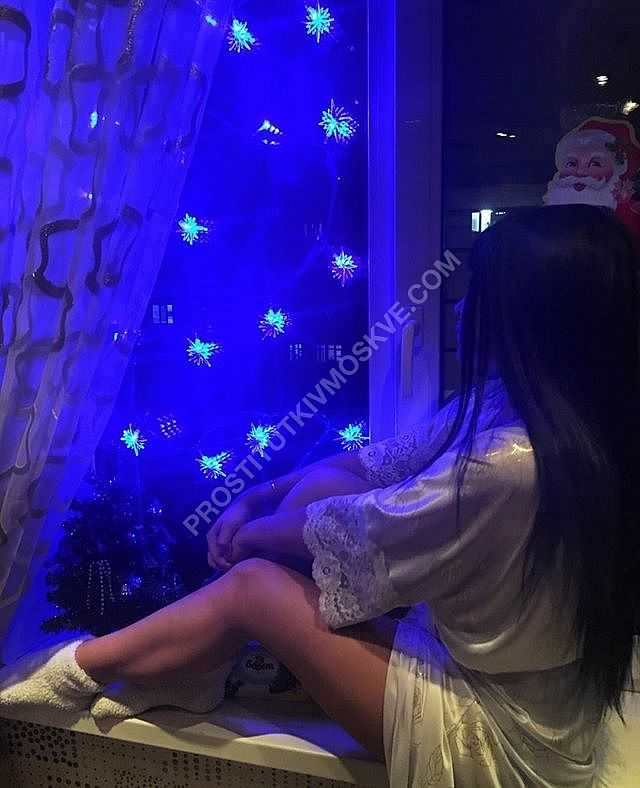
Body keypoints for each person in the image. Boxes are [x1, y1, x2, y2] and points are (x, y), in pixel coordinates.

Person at [1, 205, 639, 787]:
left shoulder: (510, 465)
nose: (460, 307)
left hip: (498, 733)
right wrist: (261, 493)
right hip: (495, 678)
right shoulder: (534, 411)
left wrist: (250, 534)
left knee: (254, 586)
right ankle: (193, 669)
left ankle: (78, 668)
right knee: (324, 487)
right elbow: (374, 464)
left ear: (531, 317)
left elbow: (365, 530)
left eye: (480, 293)